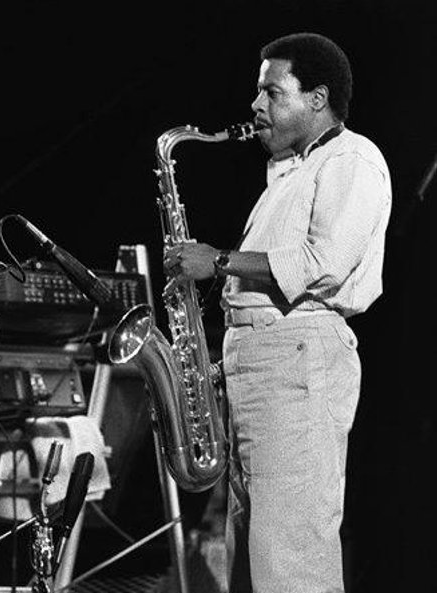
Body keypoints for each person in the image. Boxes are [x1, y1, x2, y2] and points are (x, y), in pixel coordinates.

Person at [163, 33, 391, 592]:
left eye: (271, 91)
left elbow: (325, 263)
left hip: (298, 365)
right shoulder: (286, 176)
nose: (255, 106)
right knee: (255, 566)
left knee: (291, 562)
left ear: (317, 98)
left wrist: (216, 261)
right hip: (263, 368)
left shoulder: (353, 159)